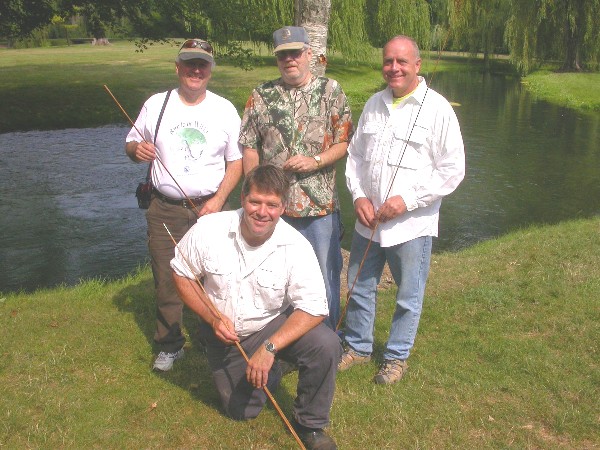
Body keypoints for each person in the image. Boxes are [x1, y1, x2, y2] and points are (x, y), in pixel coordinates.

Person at [171, 165, 341, 450]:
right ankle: (274, 370)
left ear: (283, 207)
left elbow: (314, 308)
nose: (262, 212)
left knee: (327, 343)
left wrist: (270, 348)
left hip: (271, 325)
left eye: (272, 205)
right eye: (255, 202)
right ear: (242, 199)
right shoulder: (209, 229)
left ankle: (310, 425)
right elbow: (181, 273)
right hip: (226, 334)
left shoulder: (296, 245)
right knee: (241, 412)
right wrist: (212, 318)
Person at [340, 35, 465, 384]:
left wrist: (407, 201)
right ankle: (358, 346)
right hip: (369, 221)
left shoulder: (437, 108)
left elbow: (453, 169)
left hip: (412, 225)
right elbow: (355, 158)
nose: (393, 68)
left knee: (408, 294)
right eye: (388, 61)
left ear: (417, 66)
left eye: (402, 62)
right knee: (359, 285)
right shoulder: (373, 105)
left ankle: (396, 357)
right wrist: (359, 196)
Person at [125, 38, 243, 371]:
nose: (196, 70)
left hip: (209, 208)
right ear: (177, 68)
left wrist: (219, 201)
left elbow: (236, 162)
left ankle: (214, 338)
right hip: (163, 207)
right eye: (189, 63)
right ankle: (170, 344)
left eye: (202, 64)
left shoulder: (224, 109)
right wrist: (137, 151)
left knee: (216, 278)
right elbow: (131, 143)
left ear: (210, 70)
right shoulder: (156, 104)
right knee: (166, 277)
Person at [239, 26, 353, 330]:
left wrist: (315, 160)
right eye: (283, 55)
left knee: (324, 275)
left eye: (296, 53)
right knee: (274, 278)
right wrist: (254, 190)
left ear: (309, 55)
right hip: (273, 210)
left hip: (319, 209)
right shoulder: (261, 95)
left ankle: (327, 340)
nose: (290, 59)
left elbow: (343, 142)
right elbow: (249, 146)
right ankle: (279, 340)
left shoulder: (332, 91)